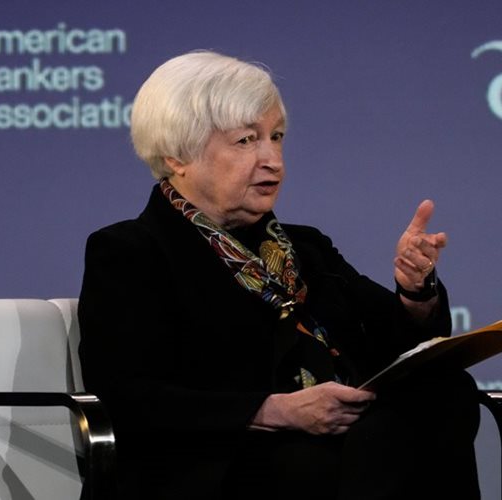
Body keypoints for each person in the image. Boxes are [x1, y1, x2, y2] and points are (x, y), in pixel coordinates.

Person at [78, 50, 481, 500]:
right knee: (359, 448)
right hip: (216, 462)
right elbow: (126, 396)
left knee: (448, 392)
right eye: (246, 141)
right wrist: (276, 411)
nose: (273, 159)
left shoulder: (305, 247)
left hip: (339, 447)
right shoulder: (131, 251)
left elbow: (398, 347)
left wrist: (415, 289)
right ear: (177, 155)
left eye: (277, 137)